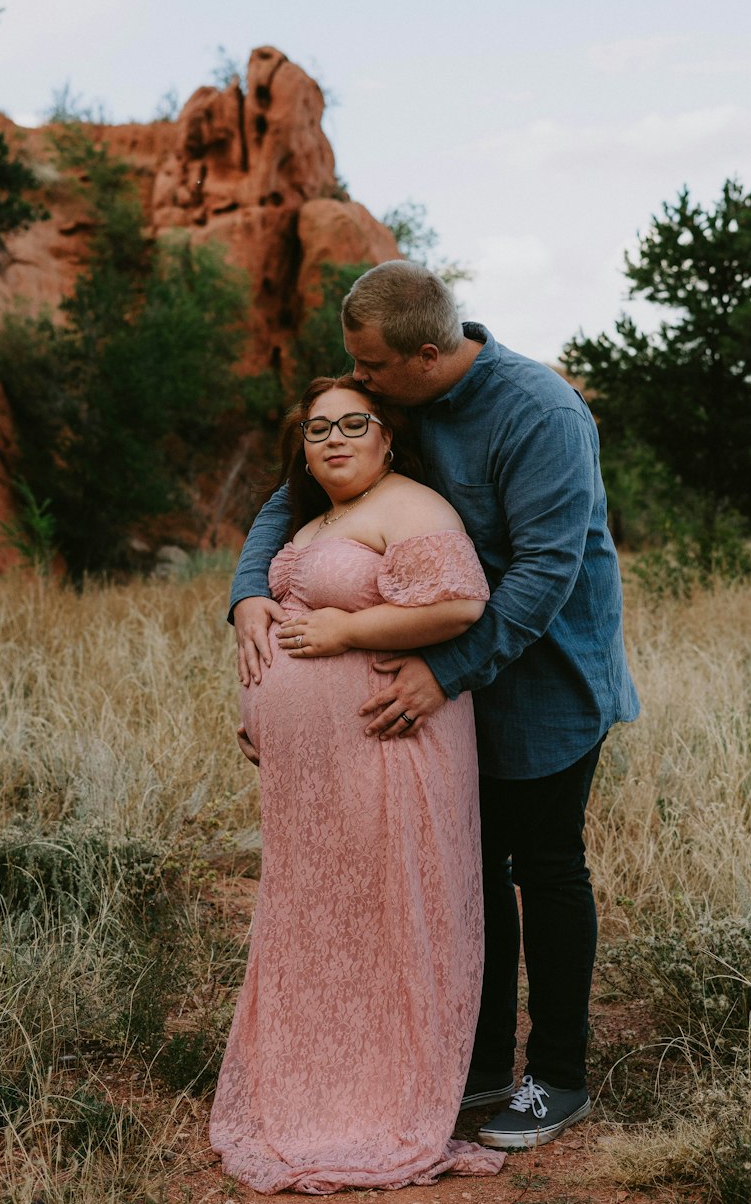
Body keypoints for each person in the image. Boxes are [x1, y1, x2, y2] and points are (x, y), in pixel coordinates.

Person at [230, 261, 640, 1151]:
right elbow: (285, 498)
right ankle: (477, 1060)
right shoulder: (399, 398)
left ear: (424, 354)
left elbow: (544, 575)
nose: (358, 382)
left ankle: (559, 1077)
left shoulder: (540, 414)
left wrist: (445, 671)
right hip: (445, 699)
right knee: (468, 871)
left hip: (544, 681)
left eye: (369, 370)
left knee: (545, 866)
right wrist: (246, 596)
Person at [209, 375, 505, 1193]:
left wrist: (345, 628)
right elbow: (281, 610)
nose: (334, 439)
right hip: (311, 774)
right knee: (325, 915)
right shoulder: (317, 519)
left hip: (389, 744)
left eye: (352, 424)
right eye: (316, 430)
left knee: (381, 912)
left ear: (387, 438)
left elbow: (458, 606)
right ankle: (314, 1085)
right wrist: (264, 696)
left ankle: (379, 1102)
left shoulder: (411, 506)